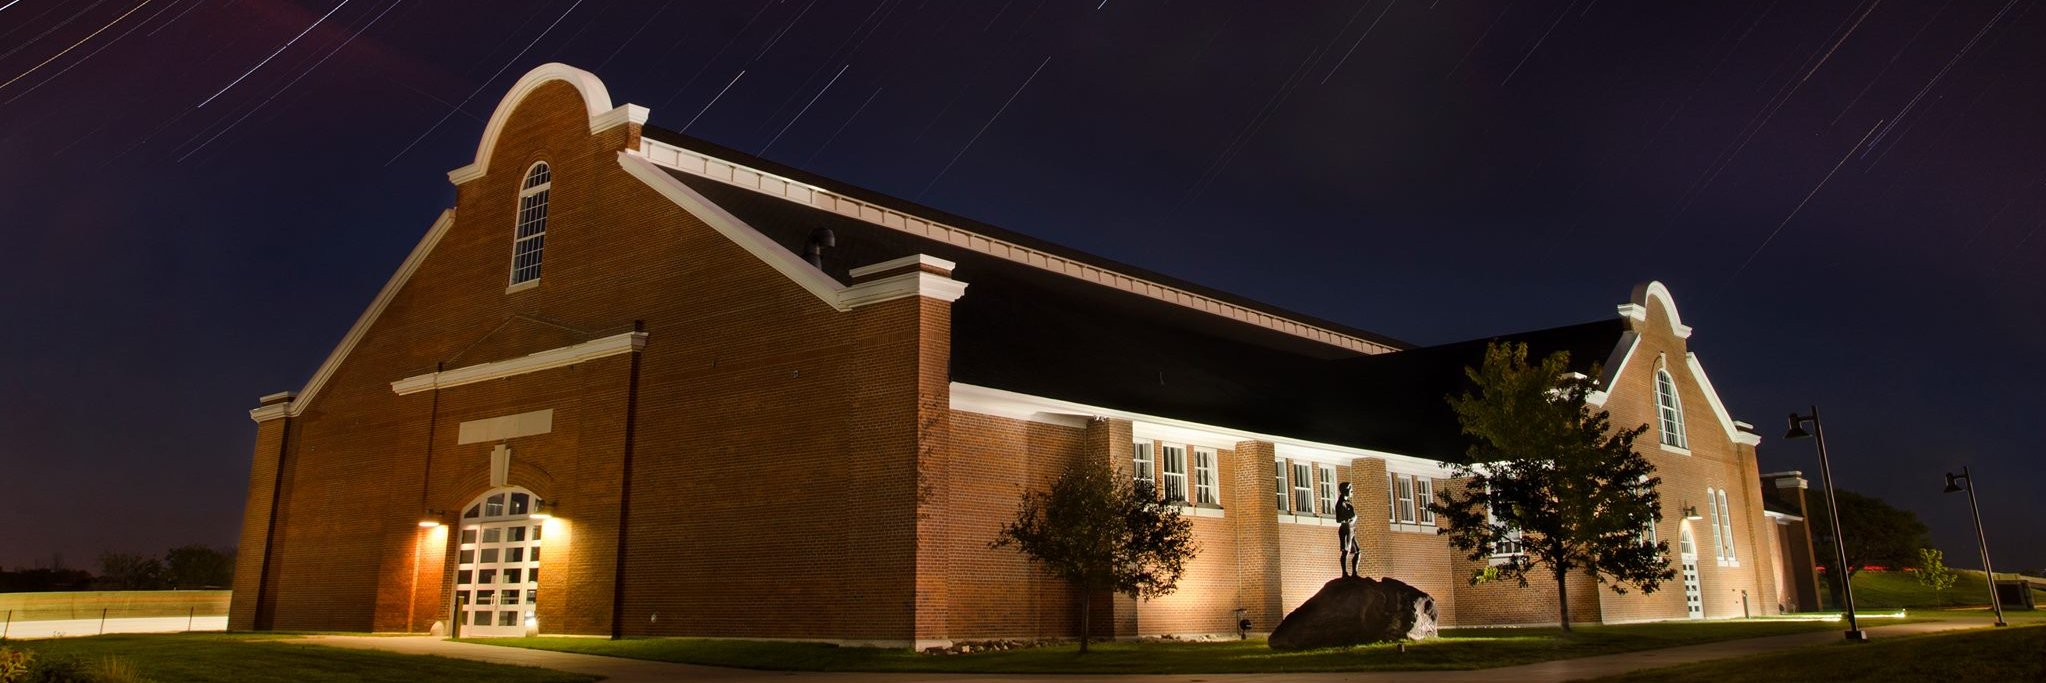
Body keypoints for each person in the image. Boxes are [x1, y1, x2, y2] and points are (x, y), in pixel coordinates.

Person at [1336, 481, 1360, 577]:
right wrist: (1349, 519)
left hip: (1352, 529)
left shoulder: (1347, 502)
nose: (1352, 492)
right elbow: (1338, 519)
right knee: (1346, 551)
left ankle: (1354, 573)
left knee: (1358, 552)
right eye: (1350, 490)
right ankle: (1344, 573)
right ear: (1345, 490)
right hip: (1345, 529)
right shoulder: (1340, 503)